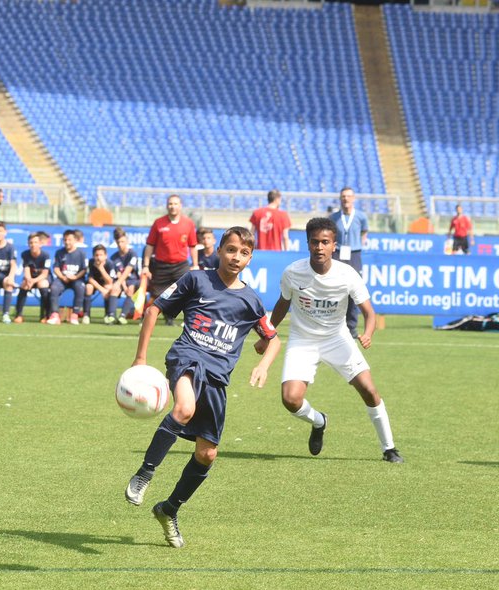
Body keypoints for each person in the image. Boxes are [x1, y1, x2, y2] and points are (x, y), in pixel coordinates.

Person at [124, 226, 281, 547]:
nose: (236, 257)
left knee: (207, 454)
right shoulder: (196, 280)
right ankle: (145, 473)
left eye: (244, 253)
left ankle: (169, 509)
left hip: (216, 379)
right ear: (219, 250)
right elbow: (153, 309)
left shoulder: (250, 300)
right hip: (187, 358)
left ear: (250, 259)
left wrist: (263, 363)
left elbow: (273, 338)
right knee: (184, 408)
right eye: (231, 249)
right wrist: (140, 359)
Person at [267, 217, 403, 464]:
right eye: (314, 242)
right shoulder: (293, 272)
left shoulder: (347, 274)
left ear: (334, 245)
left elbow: (369, 313)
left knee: (369, 390)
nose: (319, 247)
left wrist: (368, 333)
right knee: (290, 399)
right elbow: (282, 304)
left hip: (337, 338)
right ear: (308, 244)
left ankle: (389, 449)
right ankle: (319, 421)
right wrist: (267, 334)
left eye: (325, 242)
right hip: (302, 340)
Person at [143, 194, 198, 323]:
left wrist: (195, 264)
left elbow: (193, 246)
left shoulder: (188, 223)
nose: (173, 206)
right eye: (170, 204)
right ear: (167, 206)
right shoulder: (158, 223)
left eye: (175, 204)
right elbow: (150, 245)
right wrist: (145, 266)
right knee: (158, 294)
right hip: (161, 265)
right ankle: (160, 316)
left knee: (187, 292)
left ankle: (188, 321)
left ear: (180, 206)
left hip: (181, 265)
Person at [49, 229, 87, 325]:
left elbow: (84, 269)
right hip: (62, 279)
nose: (67, 242)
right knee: (54, 288)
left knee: (80, 288)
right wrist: (62, 277)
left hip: (76, 279)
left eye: (69, 240)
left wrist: (75, 277)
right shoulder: (59, 252)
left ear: (75, 240)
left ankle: (75, 315)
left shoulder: (81, 253)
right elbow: (56, 268)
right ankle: (55, 315)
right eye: (65, 240)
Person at [328, 187, 369, 275]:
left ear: (353, 198)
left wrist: (358, 243)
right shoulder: (333, 217)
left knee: (355, 278)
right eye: (343, 196)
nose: (346, 198)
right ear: (340, 198)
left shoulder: (361, 216)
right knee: (335, 278)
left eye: (349, 196)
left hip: (354, 253)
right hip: (338, 252)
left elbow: (364, 231)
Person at [15, 232, 51, 323]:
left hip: (42, 278)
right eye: (31, 243)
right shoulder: (25, 254)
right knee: (24, 285)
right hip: (31, 278)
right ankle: (18, 315)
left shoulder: (46, 256)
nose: (33, 245)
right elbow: (26, 270)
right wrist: (29, 280)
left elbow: (44, 274)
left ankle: (45, 315)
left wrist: (34, 281)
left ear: (40, 244)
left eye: (35, 242)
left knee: (42, 284)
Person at [111, 227, 142, 321]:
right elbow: (118, 273)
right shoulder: (114, 257)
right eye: (118, 242)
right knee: (114, 289)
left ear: (127, 241)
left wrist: (119, 284)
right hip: (121, 281)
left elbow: (128, 270)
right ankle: (111, 316)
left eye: (122, 241)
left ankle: (123, 316)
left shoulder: (133, 254)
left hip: (133, 280)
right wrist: (123, 286)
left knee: (131, 288)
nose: (120, 244)